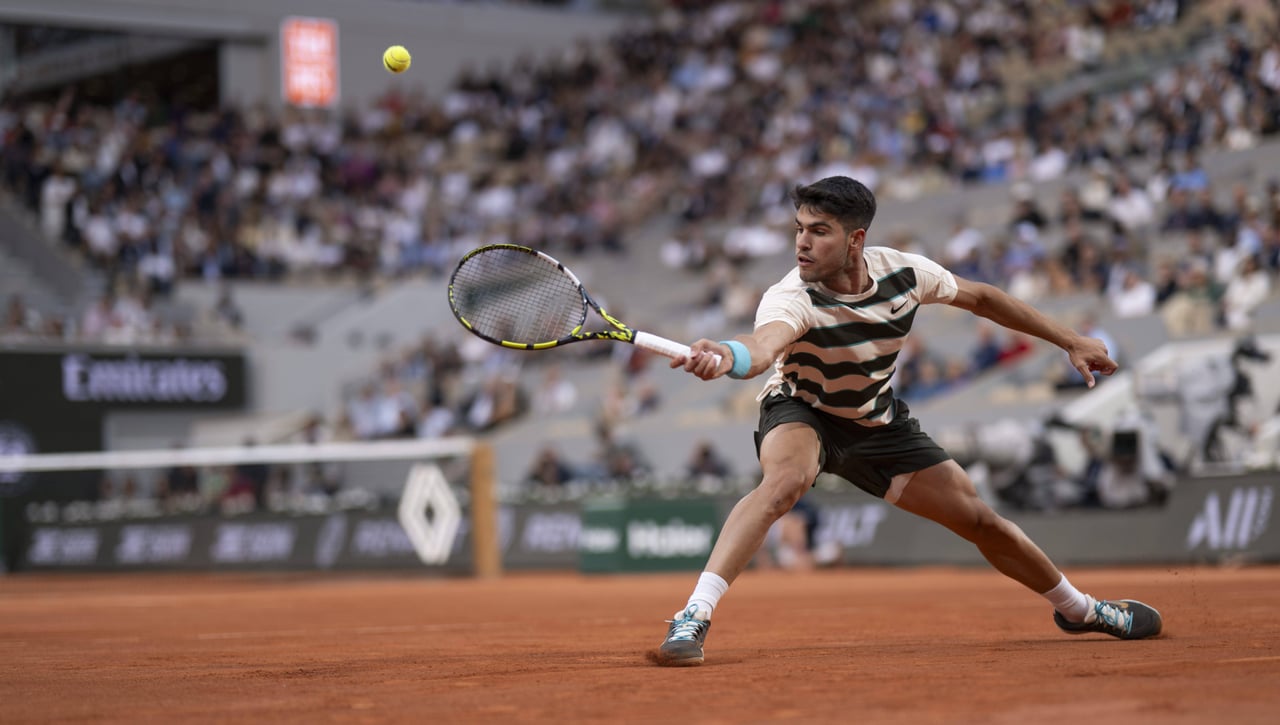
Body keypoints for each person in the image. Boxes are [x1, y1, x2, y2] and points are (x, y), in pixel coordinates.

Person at [655, 177, 1163, 667]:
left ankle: (1081, 610)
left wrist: (1070, 339)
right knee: (785, 482)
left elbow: (983, 298)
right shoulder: (792, 297)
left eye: (818, 231)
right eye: (798, 228)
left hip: (876, 421)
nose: (801, 244)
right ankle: (694, 615)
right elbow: (763, 347)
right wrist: (726, 354)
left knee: (980, 519)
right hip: (801, 407)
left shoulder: (904, 273)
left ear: (856, 240)